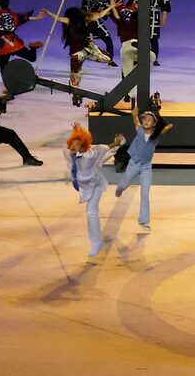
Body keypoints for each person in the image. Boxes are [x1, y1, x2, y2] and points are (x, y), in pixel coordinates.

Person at [109, 103, 168, 235]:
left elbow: (162, 130)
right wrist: (134, 115)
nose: (145, 121)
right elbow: (136, 122)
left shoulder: (155, 135)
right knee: (126, 182)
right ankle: (120, 187)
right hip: (134, 164)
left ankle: (144, 221)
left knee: (145, 193)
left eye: (149, 120)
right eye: (145, 119)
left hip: (146, 166)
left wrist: (167, 127)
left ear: (154, 124)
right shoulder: (140, 130)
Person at [63, 123, 107, 259]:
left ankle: (96, 243)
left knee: (91, 212)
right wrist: (75, 132)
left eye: (76, 145)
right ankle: (97, 242)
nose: (72, 148)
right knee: (91, 212)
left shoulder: (89, 157)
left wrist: (115, 143)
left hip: (95, 185)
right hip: (84, 186)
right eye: (71, 144)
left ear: (82, 147)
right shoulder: (67, 152)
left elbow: (101, 150)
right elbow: (72, 145)